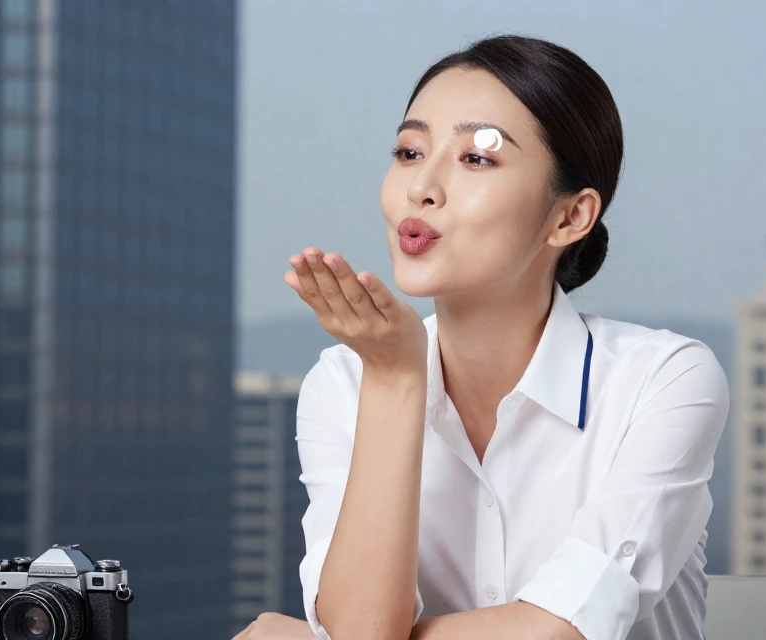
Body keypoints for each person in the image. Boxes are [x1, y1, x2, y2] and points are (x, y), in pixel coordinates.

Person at [233, 34, 729, 640]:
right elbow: (362, 630)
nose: (422, 188)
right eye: (410, 151)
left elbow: (562, 630)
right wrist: (394, 378)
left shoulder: (663, 379)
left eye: (477, 158)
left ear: (569, 216)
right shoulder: (342, 385)